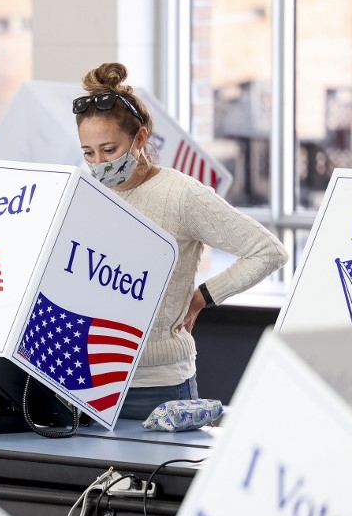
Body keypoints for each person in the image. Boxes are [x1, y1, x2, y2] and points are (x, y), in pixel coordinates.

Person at [73, 62, 288, 420]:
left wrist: (203, 296)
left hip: (158, 387)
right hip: (86, 381)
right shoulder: (86, 190)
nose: (99, 164)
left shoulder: (180, 195)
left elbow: (268, 251)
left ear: (140, 139)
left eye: (109, 150)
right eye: (88, 153)